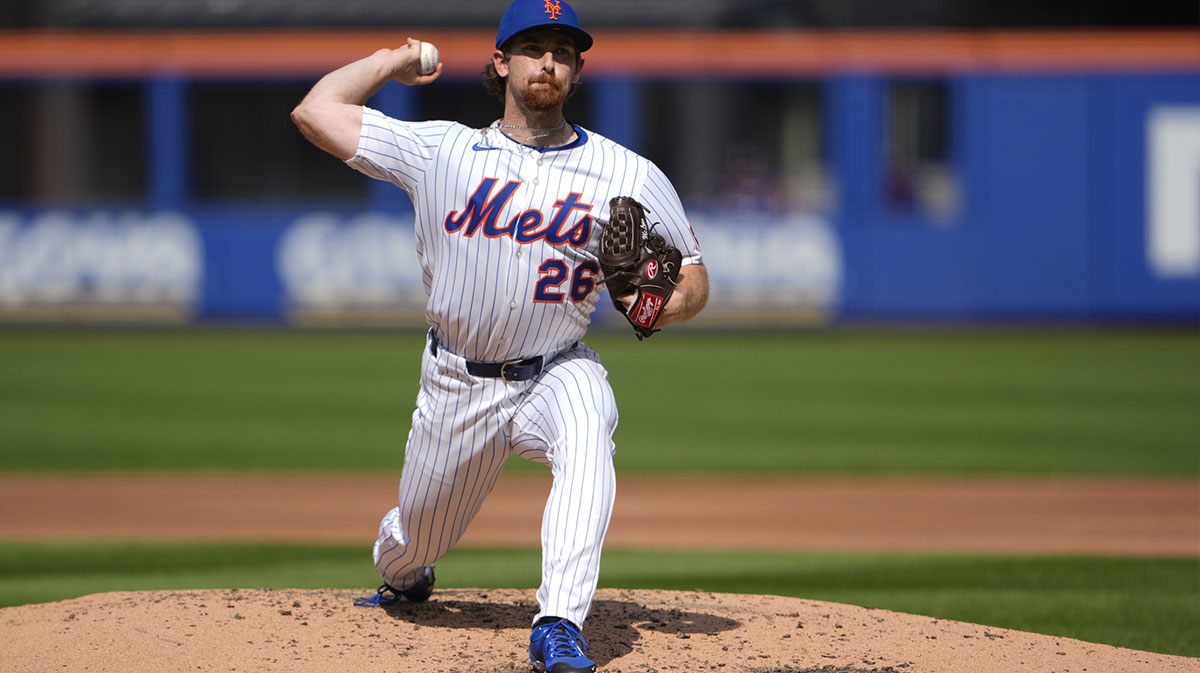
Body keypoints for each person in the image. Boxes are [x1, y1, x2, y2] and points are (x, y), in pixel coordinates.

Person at [291, 1, 708, 670]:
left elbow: (692, 275)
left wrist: (668, 302)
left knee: (589, 418)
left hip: (557, 367)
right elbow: (314, 113)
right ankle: (404, 571)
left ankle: (560, 622)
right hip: (458, 383)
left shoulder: (628, 173)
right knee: (414, 541)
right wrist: (394, 61)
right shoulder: (443, 151)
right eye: (534, 46)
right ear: (500, 61)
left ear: (576, 70)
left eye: (564, 51)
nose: (550, 60)